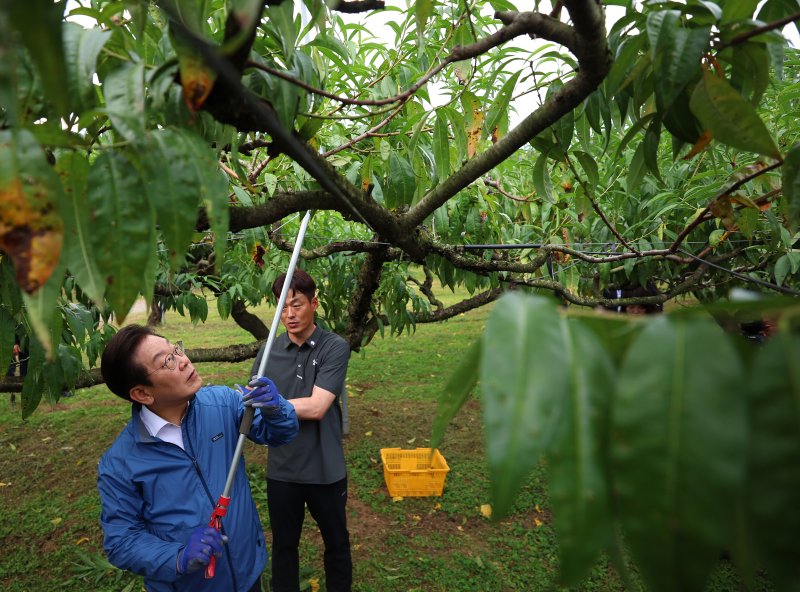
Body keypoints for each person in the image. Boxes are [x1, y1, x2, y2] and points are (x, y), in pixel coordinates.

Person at [97, 324, 299, 592]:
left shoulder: (223, 403)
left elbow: (280, 434)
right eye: (168, 361)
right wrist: (178, 557)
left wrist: (277, 409)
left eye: (176, 349)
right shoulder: (120, 464)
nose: (183, 361)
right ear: (142, 393)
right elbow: (122, 541)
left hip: (247, 571)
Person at [250, 269, 352, 592]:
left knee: (336, 545)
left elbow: (319, 406)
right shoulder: (268, 352)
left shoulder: (334, 347)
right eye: (282, 307)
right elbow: (251, 404)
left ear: (315, 303)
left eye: (296, 305)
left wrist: (275, 403)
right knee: (283, 548)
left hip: (325, 469)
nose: (289, 315)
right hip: (283, 470)